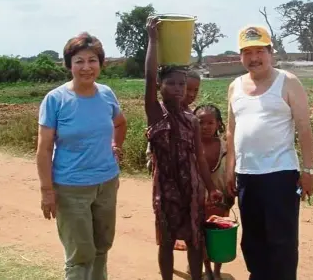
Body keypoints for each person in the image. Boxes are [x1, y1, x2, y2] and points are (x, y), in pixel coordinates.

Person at [225, 25, 313, 280]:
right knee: (252, 239)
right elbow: (231, 131)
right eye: (247, 52)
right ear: (240, 56)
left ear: (270, 52)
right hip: (246, 175)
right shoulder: (235, 86)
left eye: (259, 51)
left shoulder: (287, 82)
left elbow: (304, 127)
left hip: (280, 175)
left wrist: (308, 170)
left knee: (282, 241)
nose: (254, 58)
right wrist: (230, 169)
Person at [36, 32, 127, 280]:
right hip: (70, 188)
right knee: (80, 256)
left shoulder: (107, 94)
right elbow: (44, 149)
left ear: (100, 64)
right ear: (69, 65)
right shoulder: (55, 100)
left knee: (102, 248)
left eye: (92, 60)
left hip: (107, 183)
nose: (86, 67)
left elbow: (120, 124)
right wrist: (47, 191)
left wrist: (114, 148)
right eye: (79, 61)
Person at [144, 16, 222, 280]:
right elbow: (149, 75)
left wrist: (211, 187)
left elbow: (199, 158)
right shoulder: (156, 113)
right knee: (166, 242)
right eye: (172, 83)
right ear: (160, 86)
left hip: (192, 190)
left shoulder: (191, 120)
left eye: (182, 84)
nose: (178, 89)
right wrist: (153, 40)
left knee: (195, 241)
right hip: (165, 191)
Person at [193, 104, 235, 280]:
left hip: (220, 200)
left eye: (210, 122)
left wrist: (229, 196)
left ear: (218, 124)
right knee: (200, 236)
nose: (205, 127)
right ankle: (207, 269)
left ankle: (217, 270)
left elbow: (231, 173)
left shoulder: (226, 148)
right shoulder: (190, 147)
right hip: (196, 200)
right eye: (200, 122)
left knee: (219, 234)